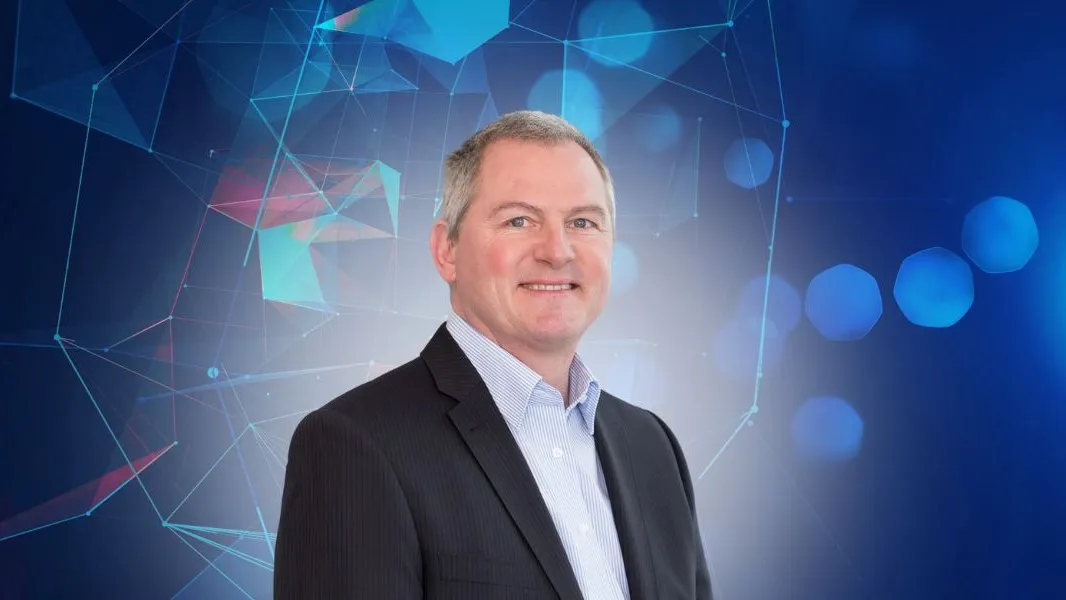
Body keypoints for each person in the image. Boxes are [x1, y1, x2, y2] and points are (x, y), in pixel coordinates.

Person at [273, 110, 714, 599]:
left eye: (583, 222)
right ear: (447, 250)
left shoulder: (652, 446)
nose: (557, 251)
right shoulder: (357, 444)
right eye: (519, 220)